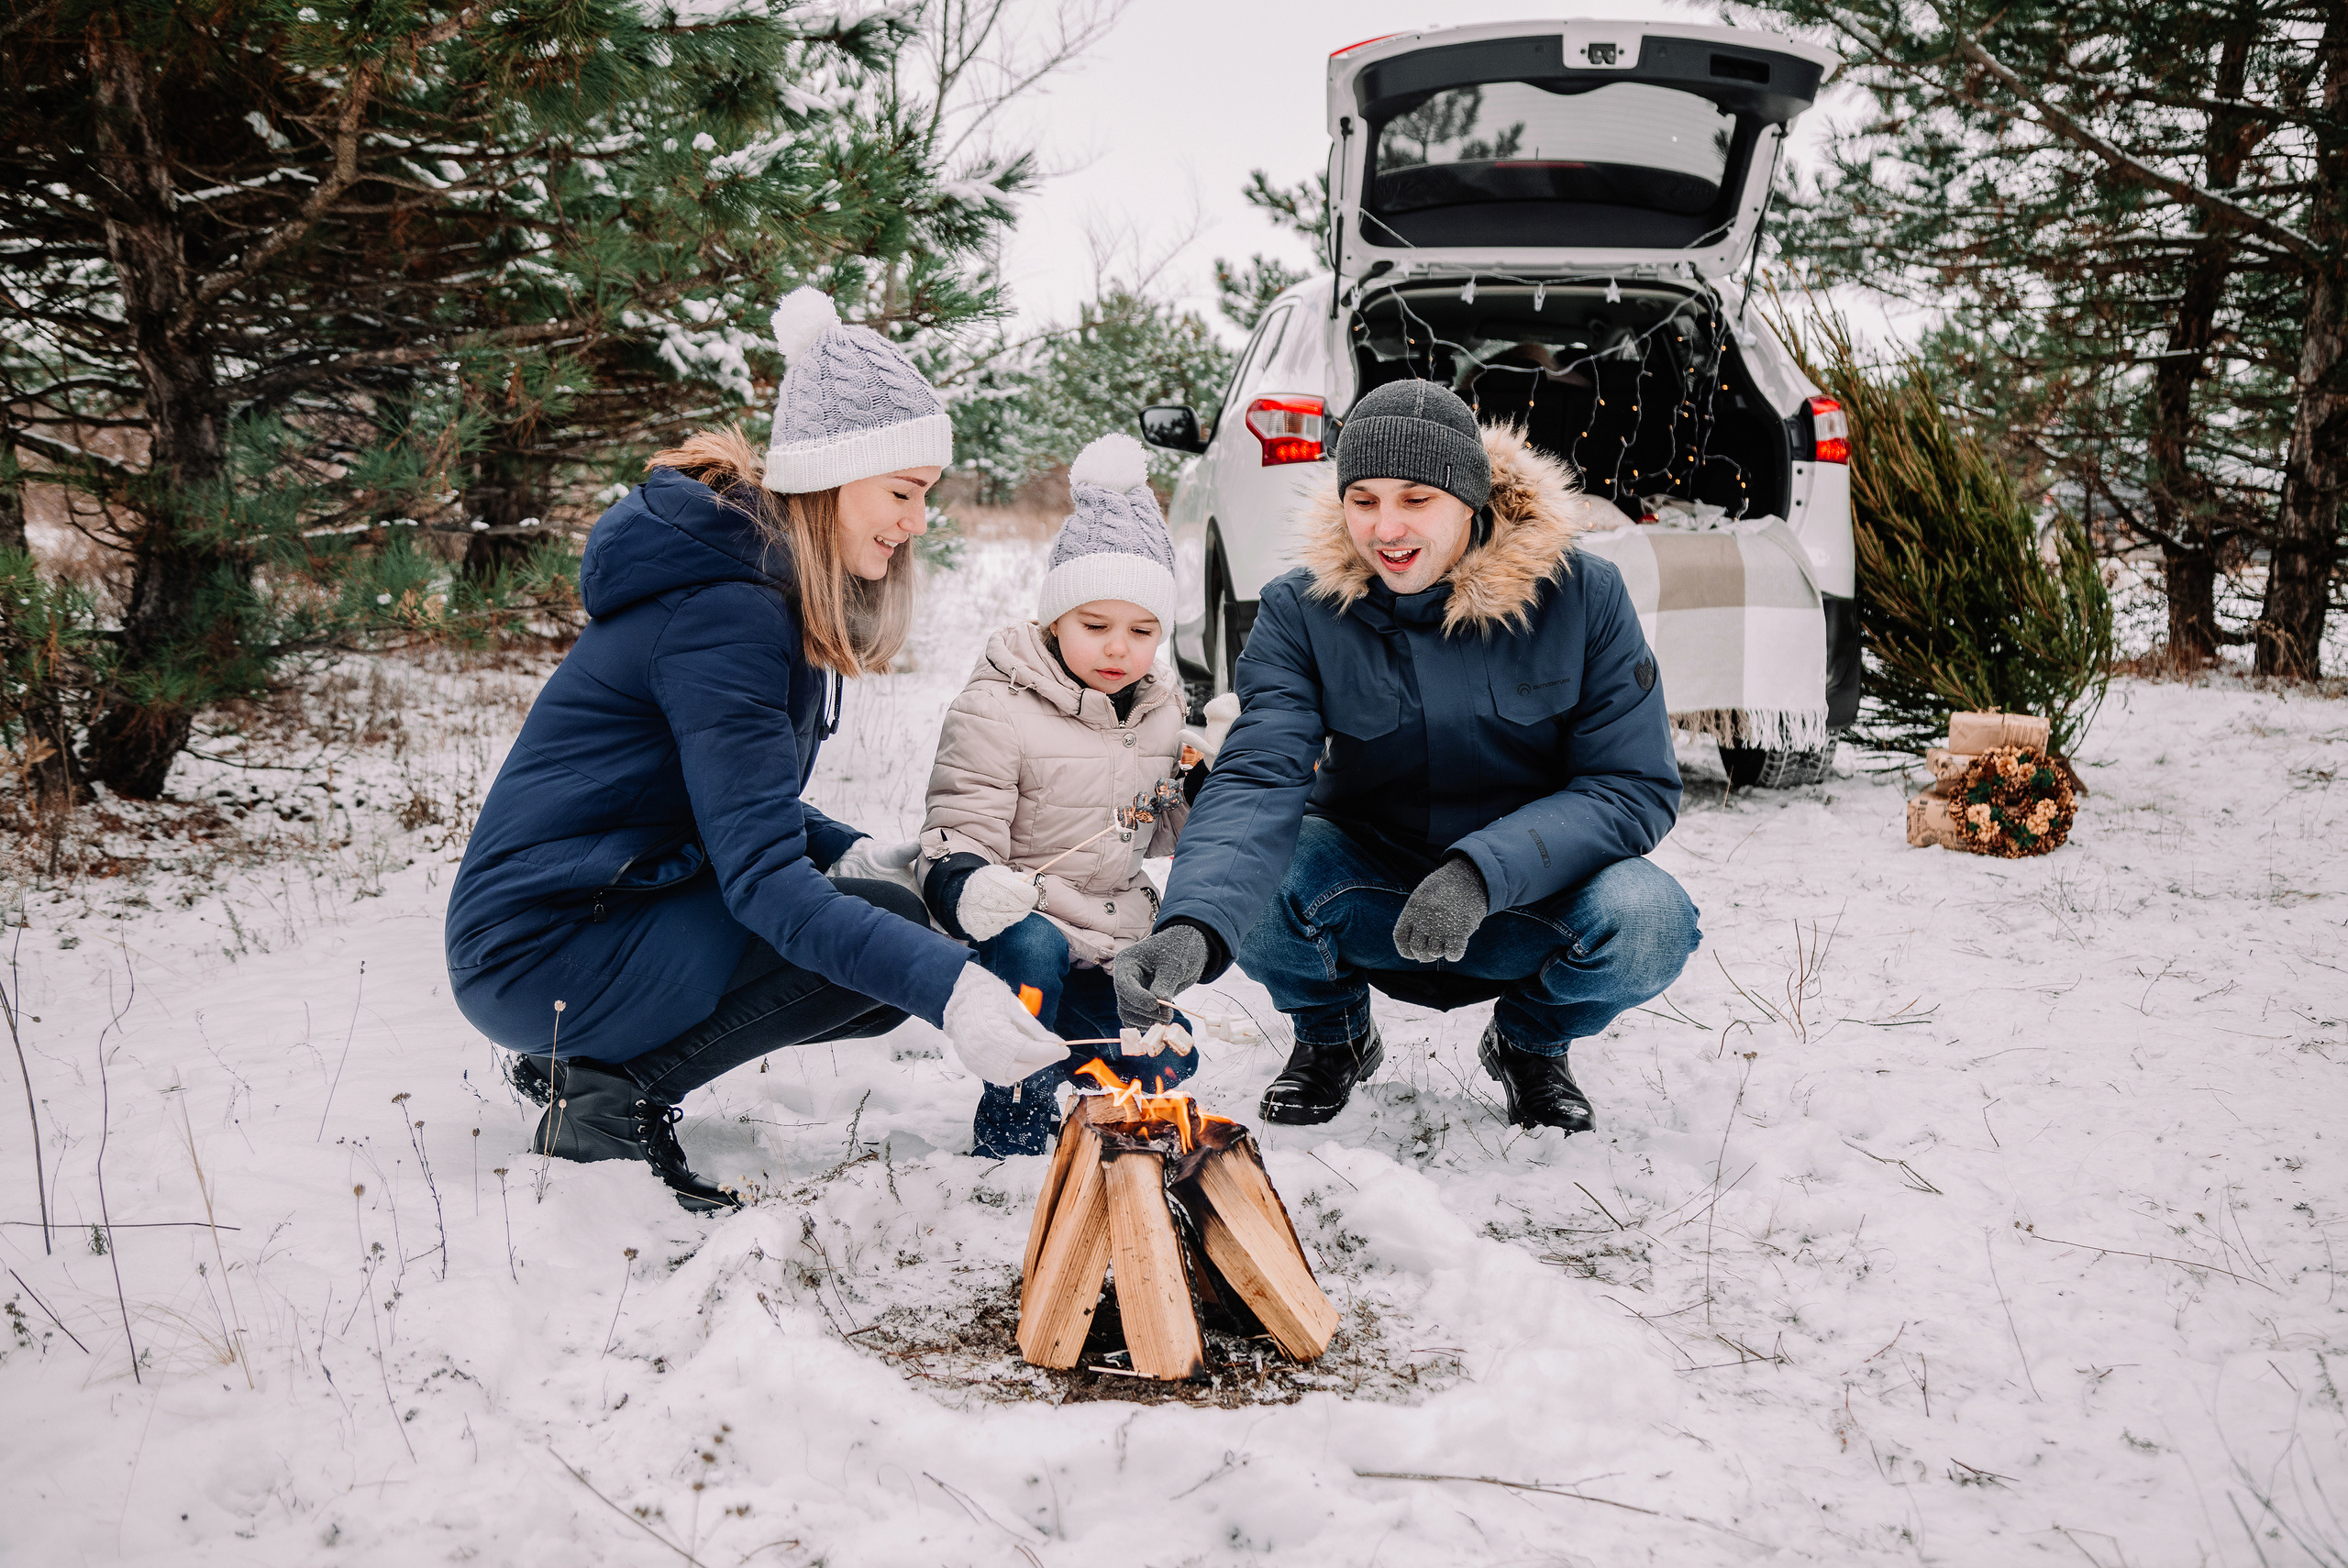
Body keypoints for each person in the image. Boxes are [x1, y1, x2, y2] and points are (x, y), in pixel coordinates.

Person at [445, 289, 1065, 1212]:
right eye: (901, 492)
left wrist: (857, 851)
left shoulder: (755, 590)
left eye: (924, 497)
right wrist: (954, 991)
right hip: (539, 948)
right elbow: (762, 883)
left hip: (599, 912)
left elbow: (730, 797)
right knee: (875, 939)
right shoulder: (726, 614)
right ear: (829, 478)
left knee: (879, 926)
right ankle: (608, 1098)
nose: (917, 522)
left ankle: (589, 1065)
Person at [1111, 380, 1700, 1133]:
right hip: (1366, 885)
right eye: (1363, 499)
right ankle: (1334, 1037)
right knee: (1257, 881)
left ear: (1470, 497)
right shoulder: (1302, 608)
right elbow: (1259, 773)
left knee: (1652, 921)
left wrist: (1482, 872)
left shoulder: (1583, 595)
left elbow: (1630, 785)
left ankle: (1530, 1045)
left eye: (1416, 499)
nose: (1385, 528)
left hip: (1534, 892)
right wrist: (1194, 923)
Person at [911, 434, 1228, 1157]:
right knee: (1032, 950)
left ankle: (1084, 1070)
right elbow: (959, 824)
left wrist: (1208, 781)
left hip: (1111, 937)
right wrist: (969, 884)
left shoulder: (1159, 710)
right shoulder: (998, 707)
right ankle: (1014, 1107)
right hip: (1019, 934)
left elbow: (1163, 830)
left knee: (1166, 1065)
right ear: (1055, 619)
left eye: (1142, 631)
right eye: (1096, 625)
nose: (1119, 647)